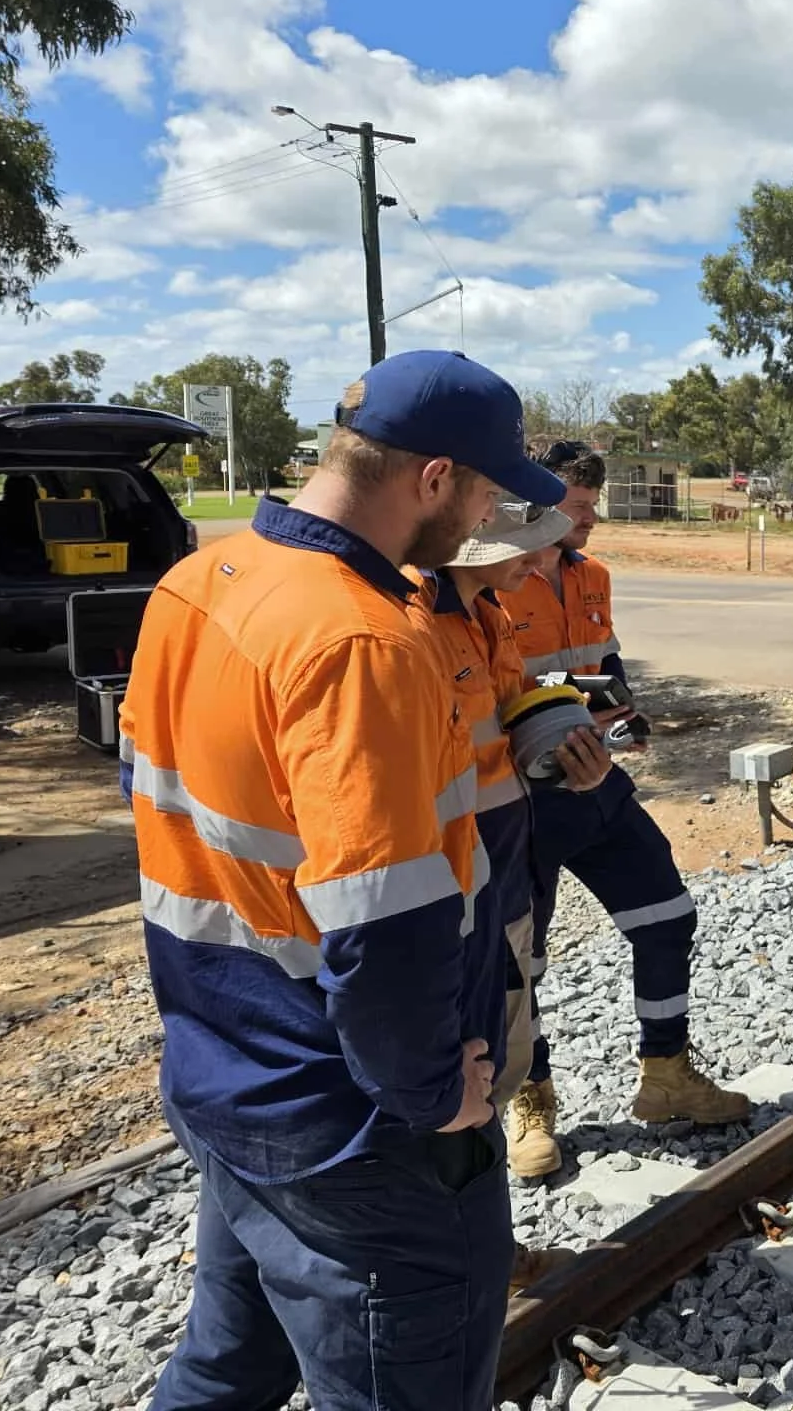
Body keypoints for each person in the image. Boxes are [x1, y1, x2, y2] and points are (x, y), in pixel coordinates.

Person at [119, 350, 566, 1410]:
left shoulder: (201, 581)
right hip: (356, 1128)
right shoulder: (364, 639)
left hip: (228, 1071)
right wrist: (431, 1097)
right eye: (484, 491)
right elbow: (387, 918)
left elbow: (171, 810)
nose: (485, 519)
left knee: (225, 1371)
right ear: (432, 477)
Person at [502, 440, 747, 1181]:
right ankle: (530, 1102)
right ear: (538, 505)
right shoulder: (492, 581)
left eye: (593, 506)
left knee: (668, 917)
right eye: (579, 507)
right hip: (521, 807)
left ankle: (665, 1075)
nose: (593, 520)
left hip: (597, 787)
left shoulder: (593, 576)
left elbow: (604, 676)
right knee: (520, 964)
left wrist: (617, 730)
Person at [420, 497, 607, 1291]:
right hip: (442, 904)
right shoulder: (406, 626)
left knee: (493, 1067)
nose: (541, 563)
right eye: (523, 547)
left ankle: (489, 1256)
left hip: (502, 882)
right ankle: (458, 1275)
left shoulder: (485, 614)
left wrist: (566, 753)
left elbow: (499, 729)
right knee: (451, 1091)